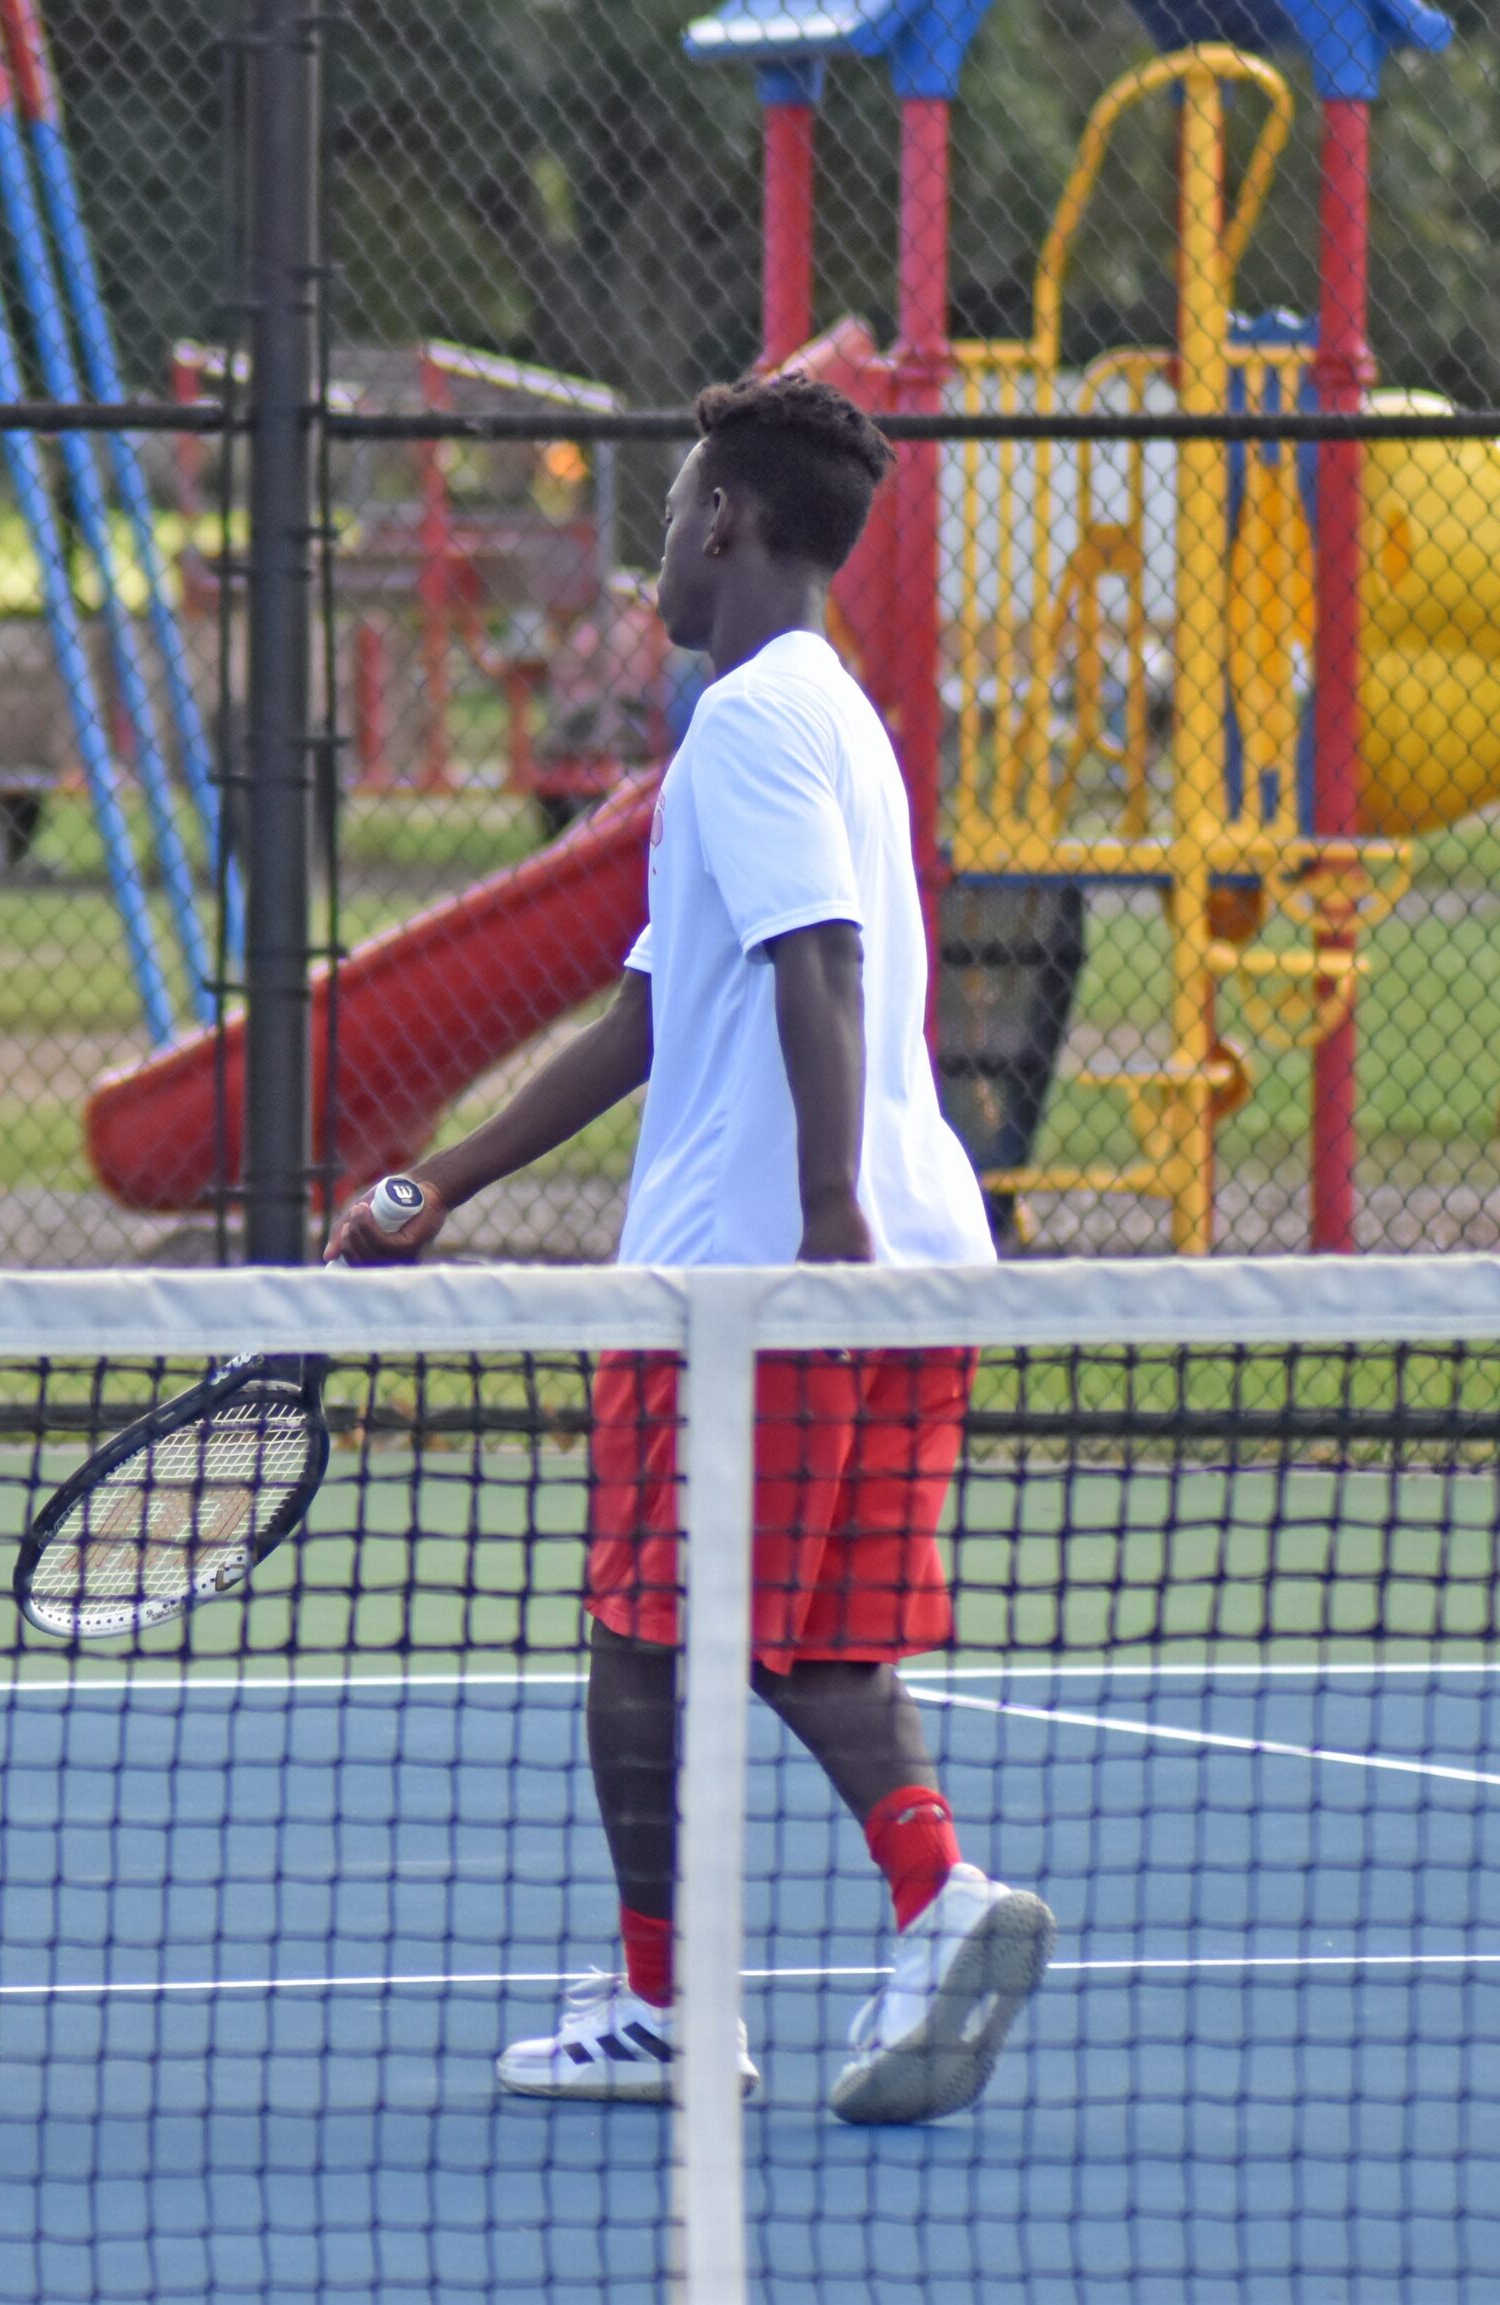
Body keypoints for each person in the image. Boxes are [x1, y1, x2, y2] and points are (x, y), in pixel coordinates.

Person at [328, 373, 1054, 2125]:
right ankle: (940, 1891)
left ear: (726, 520)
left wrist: (818, 1228)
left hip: (766, 1276)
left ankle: (664, 2003)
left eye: (668, 513)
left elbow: (820, 963)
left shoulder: (746, 724)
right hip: (910, 1267)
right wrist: (447, 1179)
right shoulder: (834, 721)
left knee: (645, 1643)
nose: (658, 544)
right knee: (809, 1637)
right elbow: (662, 1005)